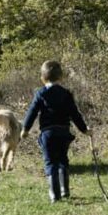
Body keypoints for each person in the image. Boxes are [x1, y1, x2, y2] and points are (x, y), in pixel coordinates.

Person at [21, 60, 90, 202]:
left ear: (42, 78)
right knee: (63, 160)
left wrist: (25, 129)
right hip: (64, 133)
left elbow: (32, 112)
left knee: (50, 162)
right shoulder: (66, 93)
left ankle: (55, 195)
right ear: (61, 77)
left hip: (48, 134)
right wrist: (84, 129)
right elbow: (74, 114)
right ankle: (65, 190)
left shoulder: (41, 93)